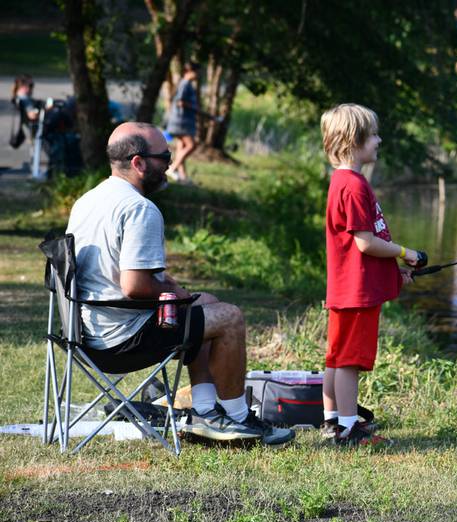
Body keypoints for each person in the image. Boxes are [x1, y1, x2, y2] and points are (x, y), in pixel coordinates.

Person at [66, 121, 295, 446]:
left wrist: (179, 292)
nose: (171, 163)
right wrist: (174, 294)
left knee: (206, 304)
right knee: (230, 317)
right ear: (138, 162)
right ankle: (239, 419)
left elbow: (130, 273)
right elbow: (134, 286)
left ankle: (206, 411)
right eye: (164, 156)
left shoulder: (88, 201)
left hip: (89, 331)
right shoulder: (139, 209)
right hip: (123, 339)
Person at [320, 104, 423, 446]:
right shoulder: (354, 186)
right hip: (357, 294)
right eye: (373, 135)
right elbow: (365, 243)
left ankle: (332, 421)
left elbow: (357, 249)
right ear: (354, 141)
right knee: (349, 360)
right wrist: (407, 253)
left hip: (347, 288)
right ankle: (349, 430)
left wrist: (395, 275)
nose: (378, 140)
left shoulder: (343, 182)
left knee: (336, 356)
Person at [166, 62, 200, 183]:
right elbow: (180, 102)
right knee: (191, 145)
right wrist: (196, 109)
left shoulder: (187, 84)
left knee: (182, 147)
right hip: (181, 121)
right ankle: (172, 168)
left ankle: (183, 177)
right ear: (188, 71)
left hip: (183, 121)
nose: (197, 74)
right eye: (195, 71)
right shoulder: (185, 84)